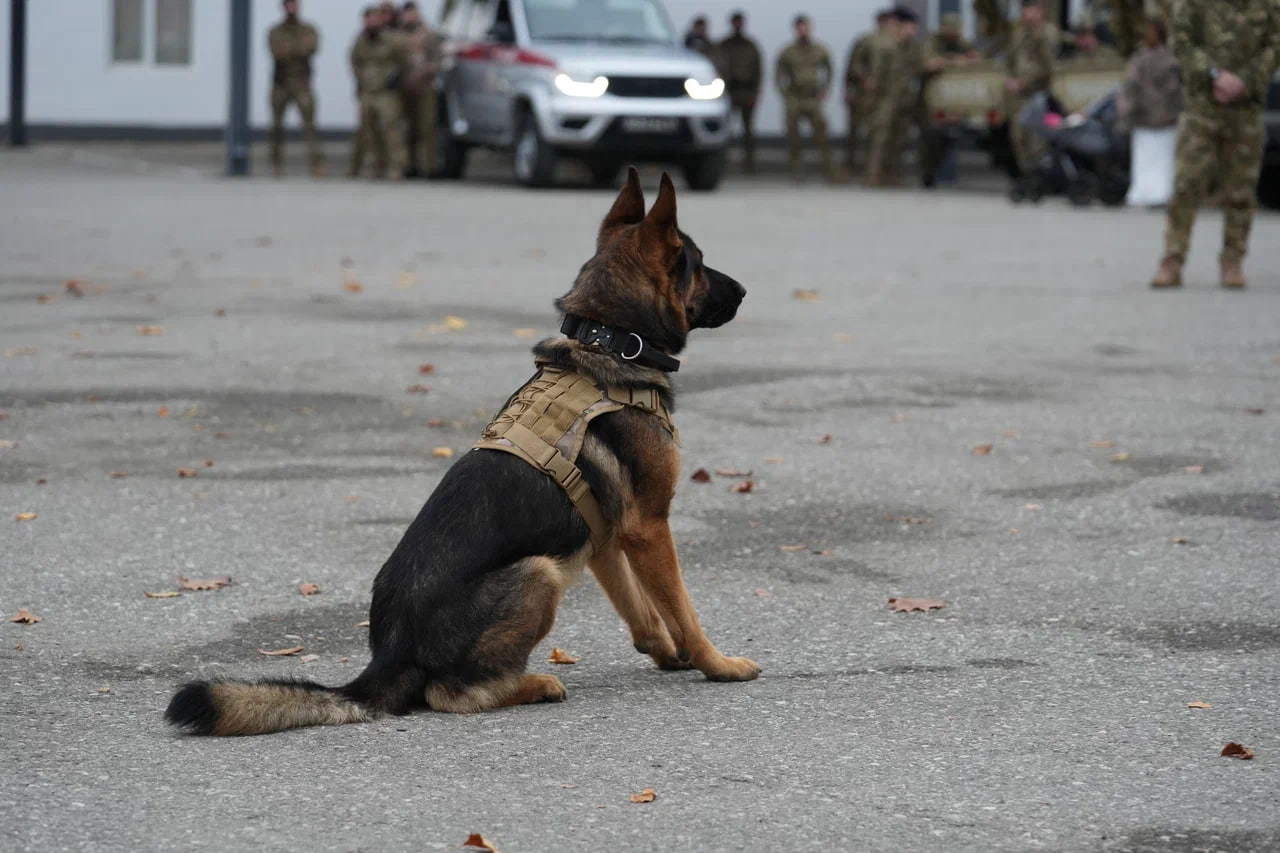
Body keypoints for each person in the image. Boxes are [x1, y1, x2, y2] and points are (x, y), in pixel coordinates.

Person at [1150, 0, 1278, 289]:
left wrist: (1245, 81)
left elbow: (1275, 43)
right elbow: (1180, 40)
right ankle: (1173, 259)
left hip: (1246, 107)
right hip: (1202, 106)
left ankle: (1233, 261)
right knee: (1187, 183)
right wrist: (1214, 75)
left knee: (1241, 189)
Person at [1117, 17, 1180, 206]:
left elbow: (1173, 88)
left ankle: (1161, 192)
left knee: (1162, 157)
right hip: (1144, 117)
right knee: (1144, 157)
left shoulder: (1168, 59)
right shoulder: (1141, 57)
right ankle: (1144, 191)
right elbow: (1130, 86)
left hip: (1163, 117)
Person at [348, 5, 409, 180]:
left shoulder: (392, 39)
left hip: (386, 92)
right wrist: (360, 79)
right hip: (367, 90)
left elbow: (404, 61)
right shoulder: (361, 40)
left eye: (374, 19)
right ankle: (375, 165)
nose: (371, 22)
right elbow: (354, 60)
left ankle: (396, 166)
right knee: (368, 130)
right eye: (368, 19)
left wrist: (395, 79)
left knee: (391, 129)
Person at [918, 13, 979, 186]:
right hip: (932, 100)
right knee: (930, 139)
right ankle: (928, 174)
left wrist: (969, 60)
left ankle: (943, 175)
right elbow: (929, 63)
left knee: (948, 139)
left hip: (955, 99)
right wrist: (955, 61)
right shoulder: (932, 42)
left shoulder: (962, 43)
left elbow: (975, 59)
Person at [776, 14, 837, 182]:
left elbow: (829, 69)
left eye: (806, 27)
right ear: (795, 29)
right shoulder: (788, 51)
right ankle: (796, 171)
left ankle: (831, 170)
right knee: (793, 137)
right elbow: (778, 74)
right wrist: (786, 94)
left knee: (822, 134)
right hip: (795, 97)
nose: (803, 30)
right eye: (800, 27)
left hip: (812, 97)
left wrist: (825, 89)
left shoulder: (819, 49)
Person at [863, 7, 918, 187]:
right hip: (885, 100)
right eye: (911, 27)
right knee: (880, 138)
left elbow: (918, 67)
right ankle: (872, 175)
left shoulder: (911, 47)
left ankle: (891, 175)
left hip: (904, 100)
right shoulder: (885, 45)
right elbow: (875, 76)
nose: (913, 31)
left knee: (898, 139)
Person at [1004, 0, 1056, 188]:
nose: (1026, 14)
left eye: (1030, 10)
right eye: (1024, 10)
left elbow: (1048, 66)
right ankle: (1027, 175)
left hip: (1039, 93)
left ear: (1040, 11)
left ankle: (1041, 178)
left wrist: (1023, 81)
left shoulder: (1047, 33)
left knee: (1037, 138)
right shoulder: (1019, 34)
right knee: (1018, 137)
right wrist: (1010, 79)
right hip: (1018, 96)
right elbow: (1010, 60)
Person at [268, 0, 323, 177]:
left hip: (302, 83)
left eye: (294, 5)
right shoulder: (275, 31)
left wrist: (291, 49)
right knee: (276, 126)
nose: (292, 8)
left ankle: (316, 164)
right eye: (289, 5)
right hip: (281, 83)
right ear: (284, 7)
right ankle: (276, 164)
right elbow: (277, 52)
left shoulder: (309, 29)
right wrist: (298, 49)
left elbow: (311, 48)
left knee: (309, 126)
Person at [843, 10, 892, 172]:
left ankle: (874, 169)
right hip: (863, 94)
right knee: (855, 131)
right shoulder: (866, 40)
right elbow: (853, 66)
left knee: (878, 133)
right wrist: (863, 80)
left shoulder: (894, 42)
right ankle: (851, 166)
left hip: (885, 95)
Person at [399, 2, 442, 178]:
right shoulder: (397, 35)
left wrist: (426, 70)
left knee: (427, 127)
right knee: (408, 128)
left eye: (413, 13)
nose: (410, 17)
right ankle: (410, 165)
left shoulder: (429, 35)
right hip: (404, 89)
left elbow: (438, 60)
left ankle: (431, 166)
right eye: (407, 14)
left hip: (425, 88)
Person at [717, 12, 763, 172]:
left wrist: (755, 93)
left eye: (739, 22)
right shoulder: (724, 45)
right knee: (724, 129)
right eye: (735, 22)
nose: (737, 25)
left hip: (746, 92)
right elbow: (718, 68)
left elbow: (758, 71)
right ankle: (720, 162)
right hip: (729, 91)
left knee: (748, 130)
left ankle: (749, 163)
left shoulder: (750, 46)